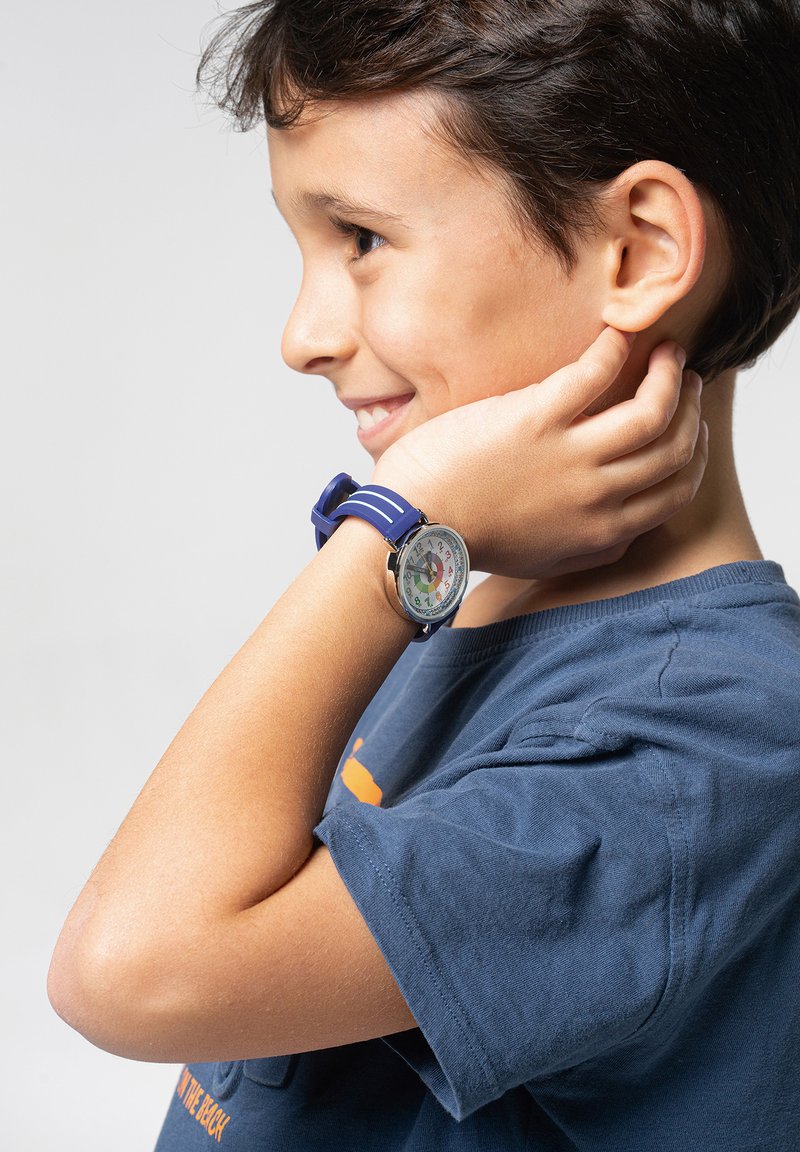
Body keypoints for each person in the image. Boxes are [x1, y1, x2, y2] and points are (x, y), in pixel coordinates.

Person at [48, 1, 800, 1149]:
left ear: (639, 251)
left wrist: (401, 535)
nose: (300, 335)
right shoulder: (472, 593)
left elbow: (128, 972)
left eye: (359, 238)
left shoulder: (707, 746)